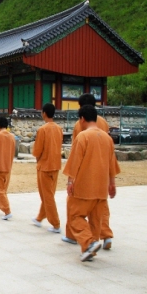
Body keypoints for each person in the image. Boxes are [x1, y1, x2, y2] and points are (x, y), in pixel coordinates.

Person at [63, 105, 118, 262]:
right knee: (95, 220)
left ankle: (89, 243)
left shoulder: (82, 137)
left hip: (84, 186)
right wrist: (112, 183)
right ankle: (89, 250)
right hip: (101, 187)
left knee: (75, 216)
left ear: (82, 119)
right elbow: (111, 163)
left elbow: (75, 162)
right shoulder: (108, 139)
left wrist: (70, 181)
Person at [31, 103, 63, 233]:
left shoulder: (42, 130)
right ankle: (39, 218)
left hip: (45, 166)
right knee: (48, 194)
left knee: (47, 196)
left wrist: (38, 158)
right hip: (55, 165)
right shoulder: (59, 128)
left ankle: (56, 224)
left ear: (44, 113)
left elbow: (37, 150)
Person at [0, 116, 15, 220]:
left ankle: (7, 210)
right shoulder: (12, 136)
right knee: (2, 189)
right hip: (8, 166)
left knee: (0, 190)